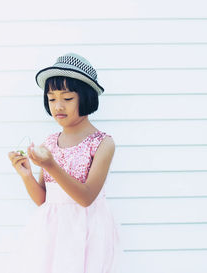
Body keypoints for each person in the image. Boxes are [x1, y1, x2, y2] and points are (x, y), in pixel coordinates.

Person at [7, 53, 126, 273]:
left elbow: (86, 198)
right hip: (52, 231)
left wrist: (52, 165)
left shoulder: (102, 143)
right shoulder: (50, 143)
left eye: (67, 98)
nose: (58, 106)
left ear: (86, 97)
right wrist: (26, 175)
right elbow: (43, 199)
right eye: (52, 99)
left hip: (88, 231)